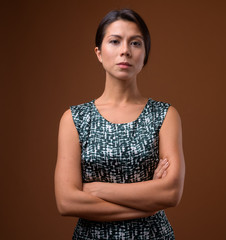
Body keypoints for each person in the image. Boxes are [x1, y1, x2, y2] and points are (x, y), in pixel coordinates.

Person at [54, 9, 185, 239]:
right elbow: (66, 201)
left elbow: (171, 193)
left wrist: (98, 189)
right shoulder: (74, 119)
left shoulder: (165, 115)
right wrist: (148, 204)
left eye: (135, 43)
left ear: (145, 55)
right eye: (114, 41)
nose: (125, 50)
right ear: (98, 52)